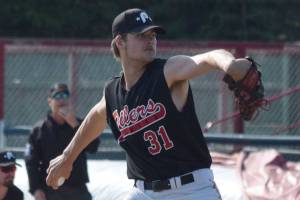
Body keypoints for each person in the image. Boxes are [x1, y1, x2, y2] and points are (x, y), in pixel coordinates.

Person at [46, 8, 253, 200]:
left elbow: (208, 58)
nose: (150, 40)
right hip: (144, 193)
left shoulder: (167, 72)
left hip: (192, 190)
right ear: (120, 42)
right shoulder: (112, 93)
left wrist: (230, 64)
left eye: (153, 35)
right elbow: (95, 118)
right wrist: (67, 157)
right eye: (141, 35)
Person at [25, 83, 100, 200]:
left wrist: (75, 125)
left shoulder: (81, 125)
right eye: (57, 96)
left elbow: (93, 148)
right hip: (51, 189)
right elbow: (31, 163)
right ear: (50, 101)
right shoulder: (39, 130)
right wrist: (36, 189)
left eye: (65, 95)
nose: (62, 100)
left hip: (77, 189)